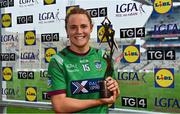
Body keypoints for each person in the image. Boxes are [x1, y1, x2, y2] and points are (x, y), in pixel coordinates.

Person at [47, 7, 120, 113]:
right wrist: (99, 101)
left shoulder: (103, 56)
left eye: (84, 26)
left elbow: (113, 95)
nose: (79, 31)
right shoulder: (58, 61)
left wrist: (114, 89)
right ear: (66, 30)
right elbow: (60, 106)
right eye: (73, 27)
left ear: (91, 28)